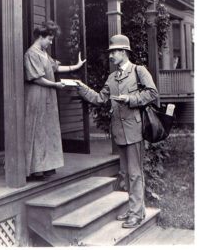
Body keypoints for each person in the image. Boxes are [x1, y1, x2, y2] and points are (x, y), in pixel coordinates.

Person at [76, 34, 159, 228]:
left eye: (114, 52)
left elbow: (153, 93)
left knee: (135, 173)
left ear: (123, 52)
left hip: (135, 130)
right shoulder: (112, 78)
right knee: (125, 173)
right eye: (110, 52)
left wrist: (130, 99)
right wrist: (82, 88)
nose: (111, 55)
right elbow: (99, 99)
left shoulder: (139, 71)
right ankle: (135, 210)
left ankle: (137, 214)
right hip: (119, 133)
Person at [24, 20, 86, 181]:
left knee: (47, 129)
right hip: (37, 95)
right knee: (37, 129)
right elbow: (37, 78)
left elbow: (56, 68)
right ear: (41, 36)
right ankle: (35, 169)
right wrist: (55, 85)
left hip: (48, 94)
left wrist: (75, 66)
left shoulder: (44, 53)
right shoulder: (31, 54)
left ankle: (46, 167)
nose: (51, 42)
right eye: (49, 39)